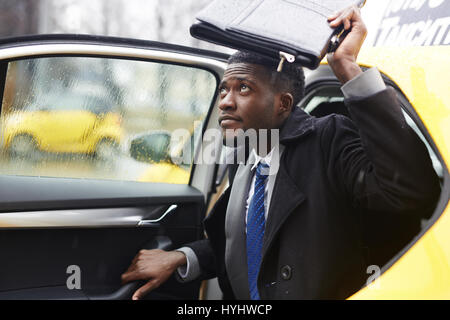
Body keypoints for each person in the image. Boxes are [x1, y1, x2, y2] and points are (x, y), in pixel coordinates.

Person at [121, 6, 440, 300]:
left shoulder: (328, 139)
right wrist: (183, 257)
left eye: (243, 88)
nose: (226, 102)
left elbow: (410, 190)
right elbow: (251, 244)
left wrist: (345, 67)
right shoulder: (246, 155)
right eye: (224, 89)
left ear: (283, 105)